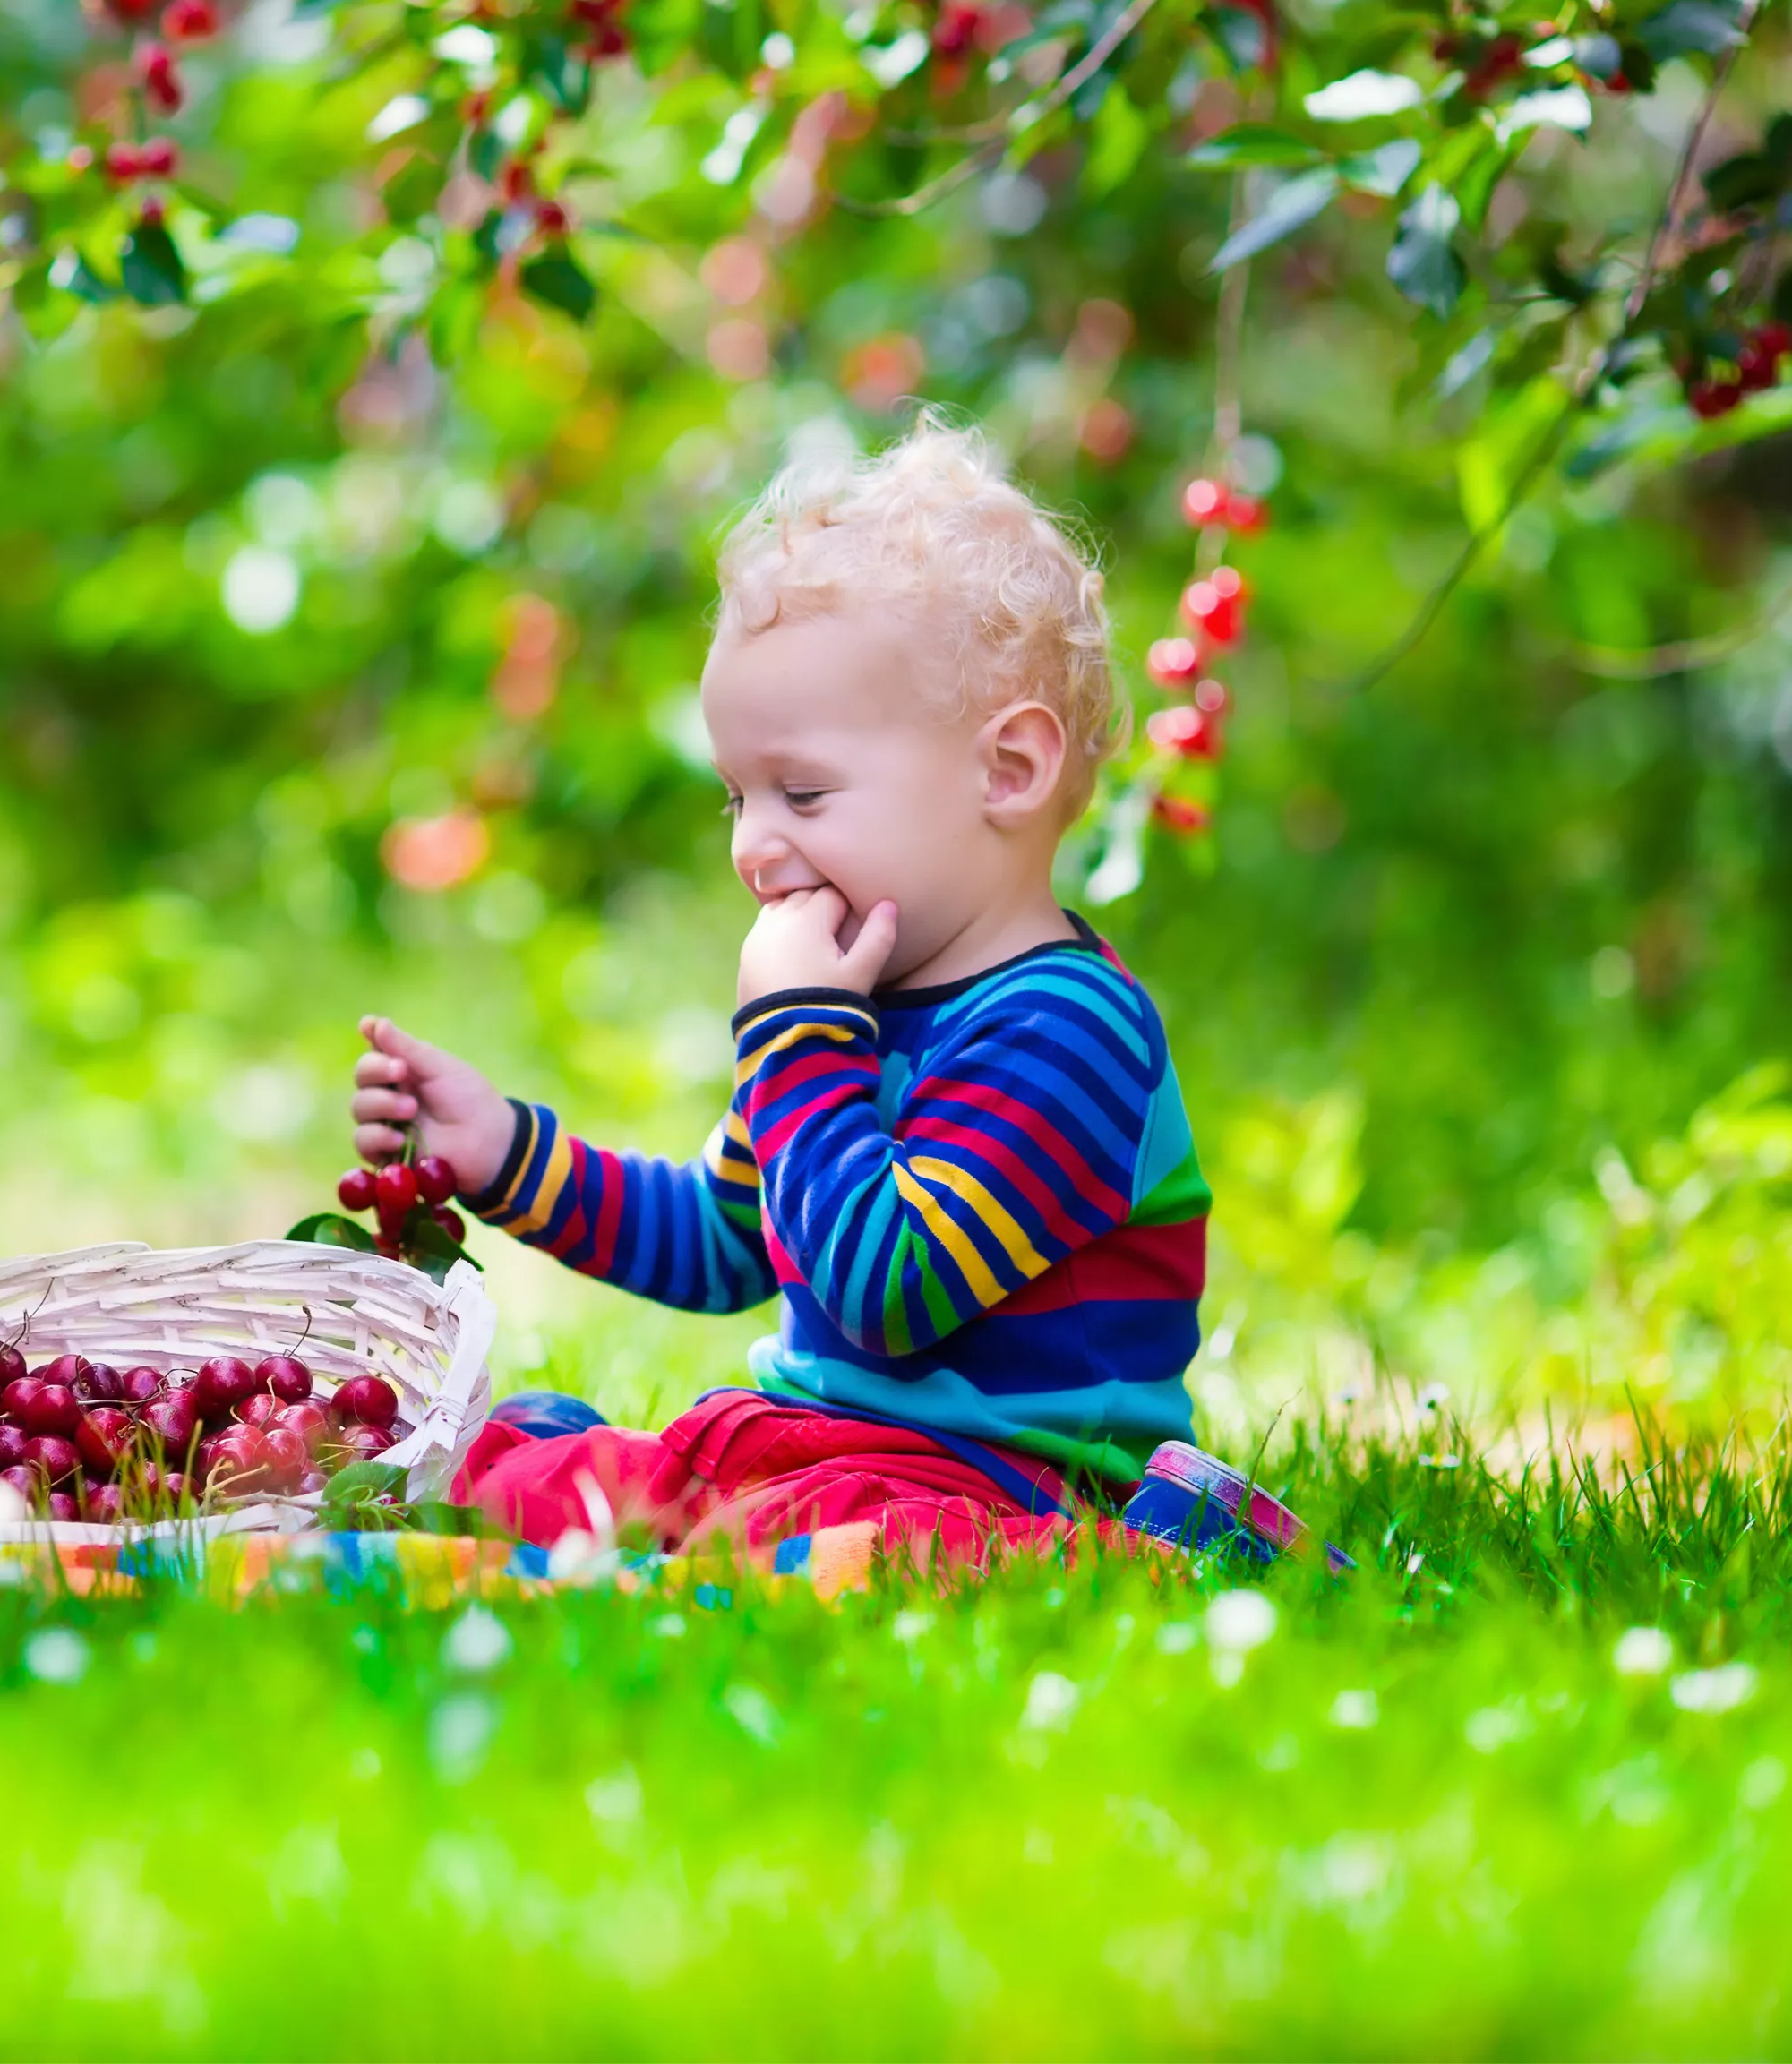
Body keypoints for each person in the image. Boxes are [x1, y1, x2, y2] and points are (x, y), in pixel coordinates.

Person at [348, 422, 1219, 1571]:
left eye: (801, 793)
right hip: (821, 1453)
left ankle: (1110, 1554)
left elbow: (885, 1291)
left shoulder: (1065, 1031)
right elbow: (723, 1241)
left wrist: (799, 1039)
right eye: (735, 798)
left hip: (1005, 1486)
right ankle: (606, 1487)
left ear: (1006, 770)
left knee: (789, 1531)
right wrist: (506, 1153)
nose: (754, 848)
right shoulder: (848, 1008)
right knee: (532, 1467)